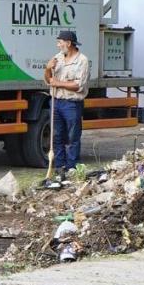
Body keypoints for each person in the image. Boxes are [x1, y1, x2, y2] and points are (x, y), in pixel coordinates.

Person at [44, 31, 90, 178]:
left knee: (72, 137)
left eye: (60, 42)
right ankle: (59, 167)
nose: (58, 45)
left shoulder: (82, 61)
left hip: (72, 104)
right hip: (56, 102)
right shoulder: (57, 58)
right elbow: (49, 80)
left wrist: (58, 83)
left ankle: (71, 167)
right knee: (56, 136)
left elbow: (78, 85)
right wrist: (47, 69)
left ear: (69, 43)